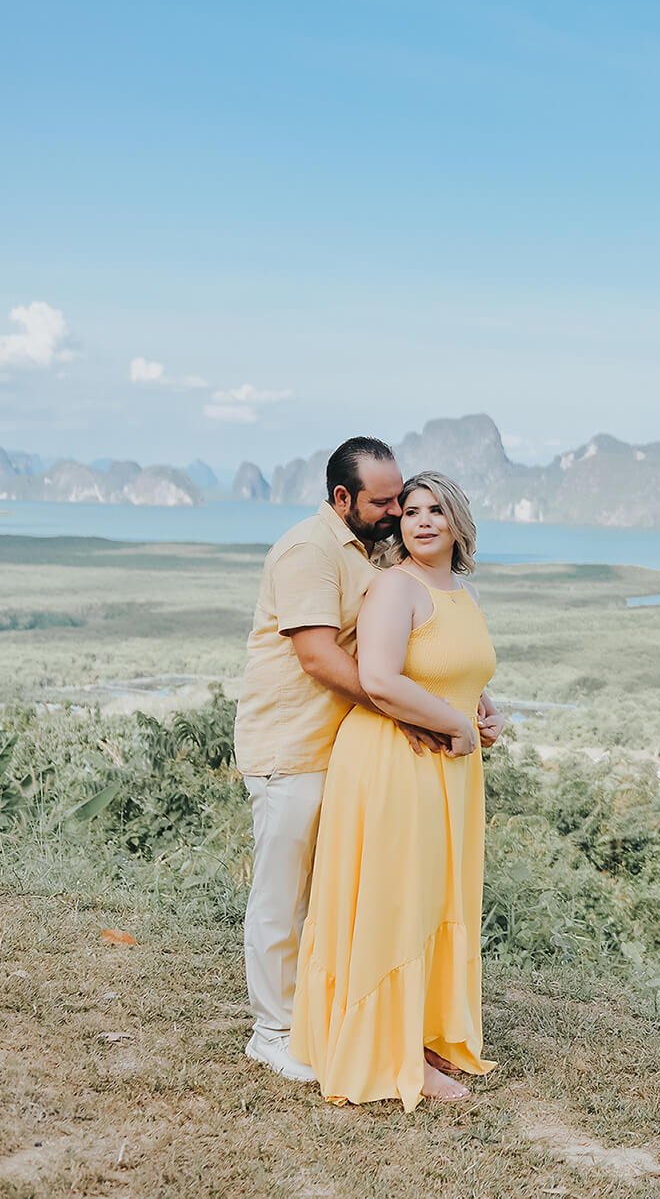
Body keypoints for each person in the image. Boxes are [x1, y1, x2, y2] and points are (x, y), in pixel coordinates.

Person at [233, 437, 471, 1082]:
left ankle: (317, 1017)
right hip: (290, 748)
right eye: (384, 501)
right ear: (343, 499)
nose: (397, 511)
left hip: (344, 750)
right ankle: (272, 1030)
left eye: (402, 498)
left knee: (332, 896)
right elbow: (317, 656)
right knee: (283, 896)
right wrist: (410, 711)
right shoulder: (309, 550)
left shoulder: (370, 552)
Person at [290, 470, 506, 1109]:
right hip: (395, 760)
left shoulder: (457, 592)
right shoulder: (395, 587)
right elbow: (380, 679)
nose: (422, 520)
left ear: (458, 521)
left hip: (447, 764)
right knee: (397, 898)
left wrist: (486, 714)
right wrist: (453, 726)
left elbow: (456, 669)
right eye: (410, 511)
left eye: (436, 510)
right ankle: (393, 1051)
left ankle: (424, 1030)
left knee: (437, 896)